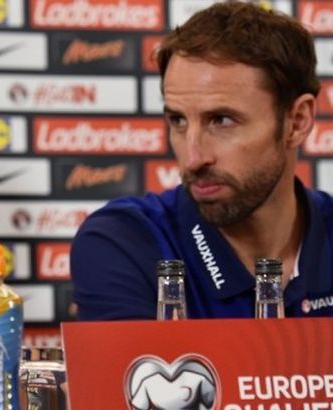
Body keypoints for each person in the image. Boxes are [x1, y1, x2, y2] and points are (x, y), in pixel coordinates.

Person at [71, 1, 333, 320]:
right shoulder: (126, 243)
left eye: (221, 120)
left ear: (297, 122)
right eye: (178, 121)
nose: (193, 158)